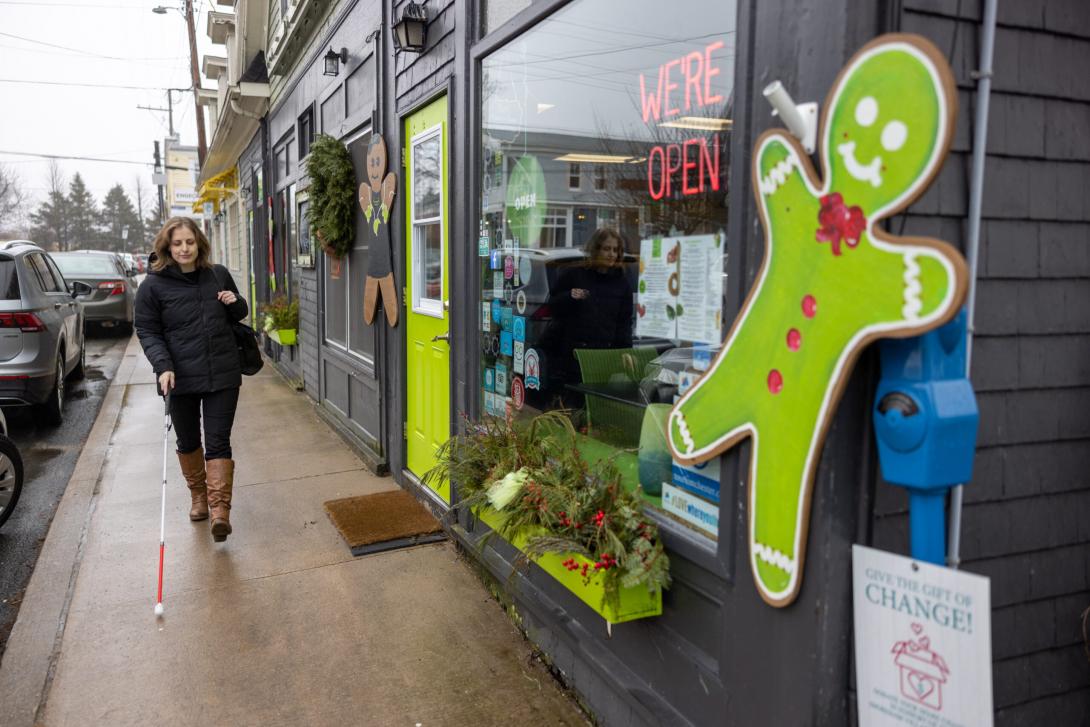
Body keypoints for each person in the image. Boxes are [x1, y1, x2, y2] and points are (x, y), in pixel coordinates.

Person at [135, 217, 249, 543]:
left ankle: (219, 512)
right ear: (167, 247)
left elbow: (238, 313)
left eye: (189, 241)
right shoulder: (152, 286)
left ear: (198, 242)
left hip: (222, 373)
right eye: (177, 243)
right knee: (188, 441)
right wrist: (163, 366)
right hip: (178, 378)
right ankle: (198, 498)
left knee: (218, 442)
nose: (184, 248)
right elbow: (147, 330)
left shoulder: (218, 274)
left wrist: (234, 303)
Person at [546, 228, 634, 391]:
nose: (611, 254)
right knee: (575, 402)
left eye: (615, 250)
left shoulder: (622, 283)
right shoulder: (575, 275)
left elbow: (624, 322)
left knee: (597, 402)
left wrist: (624, 351)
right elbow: (553, 305)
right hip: (574, 356)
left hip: (605, 357)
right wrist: (569, 296)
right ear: (596, 249)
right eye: (607, 249)